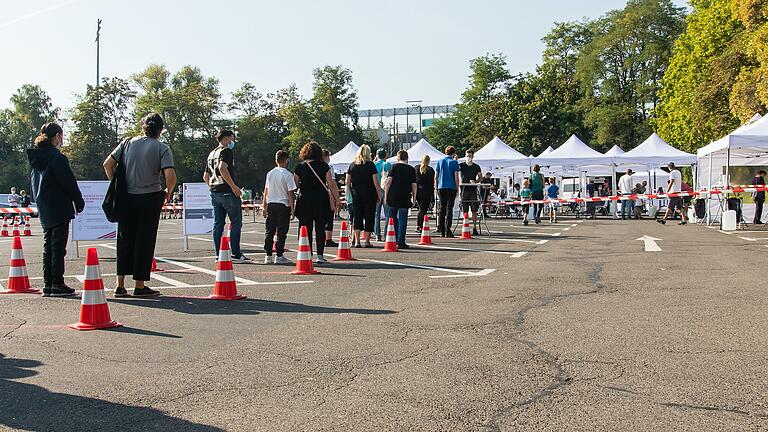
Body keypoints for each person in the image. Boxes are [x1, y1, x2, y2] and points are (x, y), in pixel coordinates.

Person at [104, 113, 176, 298]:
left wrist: (117, 184)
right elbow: (170, 176)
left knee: (124, 238)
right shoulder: (162, 147)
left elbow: (107, 164)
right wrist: (168, 192)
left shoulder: (127, 143)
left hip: (127, 197)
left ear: (142, 126)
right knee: (144, 240)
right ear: (160, 130)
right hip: (150, 197)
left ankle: (120, 284)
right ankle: (140, 285)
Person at [27, 122, 84, 297]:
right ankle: (58, 283)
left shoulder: (37, 158)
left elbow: (33, 183)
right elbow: (68, 182)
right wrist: (78, 200)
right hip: (58, 204)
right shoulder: (57, 158)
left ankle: (49, 283)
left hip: (44, 204)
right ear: (57, 136)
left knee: (49, 245)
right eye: (62, 135)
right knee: (58, 246)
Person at [203, 129, 251, 263]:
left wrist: (212, 187)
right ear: (226, 138)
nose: (233, 141)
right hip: (227, 191)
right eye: (232, 138)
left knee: (218, 223)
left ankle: (219, 253)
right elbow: (222, 168)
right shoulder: (226, 151)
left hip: (215, 191)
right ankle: (235, 253)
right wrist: (233, 186)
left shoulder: (212, 154)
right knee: (236, 222)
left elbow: (205, 176)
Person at [294, 141, 341, 264]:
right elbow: (331, 183)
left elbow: (296, 184)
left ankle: (306, 253)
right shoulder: (324, 166)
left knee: (305, 227)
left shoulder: (300, 167)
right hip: (321, 199)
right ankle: (320, 255)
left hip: (304, 199)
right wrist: (337, 199)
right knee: (320, 227)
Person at [263, 150, 296, 264]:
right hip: (283, 204)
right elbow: (290, 193)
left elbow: (266, 191)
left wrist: (264, 206)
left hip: (271, 203)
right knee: (282, 231)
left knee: (270, 230)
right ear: (286, 160)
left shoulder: (270, 173)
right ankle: (279, 254)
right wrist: (293, 208)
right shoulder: (288, 174)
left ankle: (268, 255)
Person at [346, 144, 380, 248]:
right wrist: (379, 195)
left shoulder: (352, 165)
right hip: (370, 194)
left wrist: (351, 192)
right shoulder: (370, 165)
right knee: (369, 216)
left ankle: (357, 241)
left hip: (356, 194)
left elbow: (347, 182)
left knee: (357, 216)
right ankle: (367, 241)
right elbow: (376, 182)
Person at [385, 150, 417, 249]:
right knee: (403, 219)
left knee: (393, 218)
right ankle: (401, 241)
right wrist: (414, 198)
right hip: (405, 196)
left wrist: (386, 196)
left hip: (393, 195)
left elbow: (388, 182)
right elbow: (414, 185)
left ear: (398, 158)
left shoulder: (393, 167)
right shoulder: (411, 169)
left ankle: (393, 239)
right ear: (407, 158)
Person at [435, 146, 461, 237]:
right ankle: (448, 230)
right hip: (451, 187)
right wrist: (458, 188)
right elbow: (456, 177)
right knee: (449, 208)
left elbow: (436, 176)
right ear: (453, 153)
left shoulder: (439, 161)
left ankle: (441, 230)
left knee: (442, 208)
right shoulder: (454, 163)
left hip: (441, 186)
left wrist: (436, 187)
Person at [458, 150, 483, 235]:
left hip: (473, 190)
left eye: (470, 156)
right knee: (465, 210)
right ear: (465, 156)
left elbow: (481, 177)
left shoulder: (476, 166)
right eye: (467, 156)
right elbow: (455, 171)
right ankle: (465, 226)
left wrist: (475, 181)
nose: (469, 157)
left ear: (473, 157)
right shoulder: (461, 165)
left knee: (474, 210)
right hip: (464, 190)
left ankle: (475, 227)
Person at [373, 149, 391, 241]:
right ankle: (386, 233)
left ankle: (377, 234)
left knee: (377, 213)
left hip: (376, 190)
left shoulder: (374, 164)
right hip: (386, 189)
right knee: (388, 213)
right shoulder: (388, 164)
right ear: (386, 156)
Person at [322, 149, 338, 248]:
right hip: (327, 194)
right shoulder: (328, 167)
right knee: (329, 216)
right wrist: (336, 197)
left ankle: (322, 237)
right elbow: (332, 183)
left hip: (317, 194)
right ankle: (328, 239)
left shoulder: (312, 166)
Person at [415, 155, 435, 232]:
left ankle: (418, 225)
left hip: (418, 191)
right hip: (427, 191)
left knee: (421, 209)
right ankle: (420, 225)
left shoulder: (416, 168)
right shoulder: (430, 170)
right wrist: (432, 196)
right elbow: (431, 183)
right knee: (423, 209)